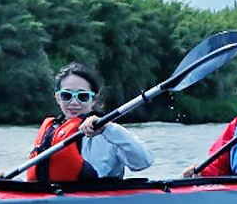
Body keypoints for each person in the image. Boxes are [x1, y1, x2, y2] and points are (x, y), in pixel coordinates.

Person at [22, 62, 154, 182]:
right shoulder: (50, 133)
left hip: (100, 203)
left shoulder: (109, 133)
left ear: (94, 100)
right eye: (66, 96)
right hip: (58, 200)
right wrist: (4, 183)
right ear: (57, 98)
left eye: (82, 96)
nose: (74, 103)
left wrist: (107, 129)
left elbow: (143, 162)